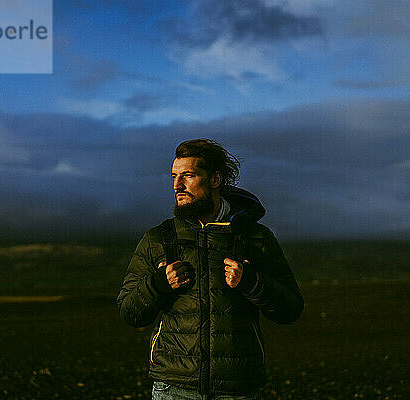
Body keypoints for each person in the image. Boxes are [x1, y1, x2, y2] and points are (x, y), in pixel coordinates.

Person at [117, 139, 304, 399]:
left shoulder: (255, 237)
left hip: (238, 388)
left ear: (215, 180)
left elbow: (290, 309)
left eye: (188, 176)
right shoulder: (159, 238)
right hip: (174, 388)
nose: (177, 185)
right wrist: (159, 284)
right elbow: (129, 312)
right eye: (174, 177)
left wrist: (251, 282)